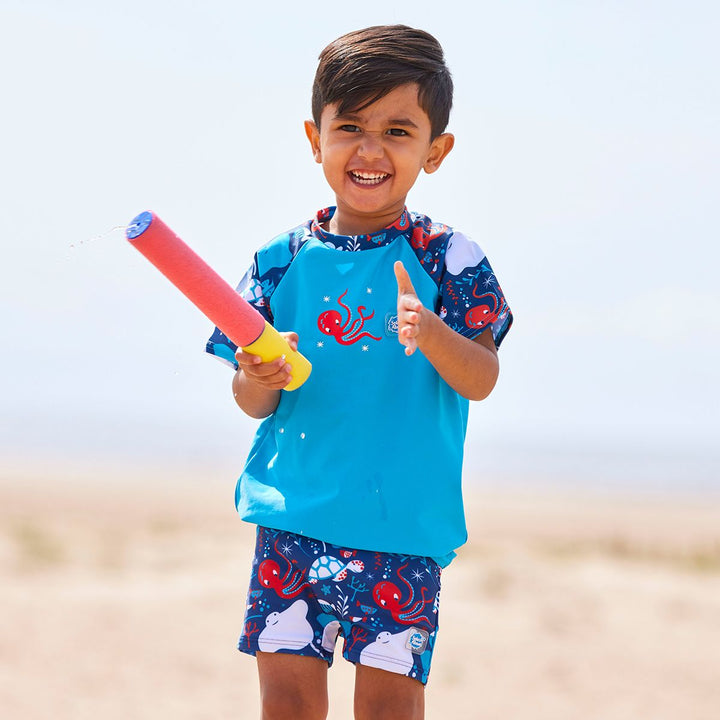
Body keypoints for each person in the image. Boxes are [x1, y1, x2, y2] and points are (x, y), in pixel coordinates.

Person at [206, 24, 513, 720]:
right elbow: (251, 401)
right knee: (285, 700)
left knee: (388, 706)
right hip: (292, 519)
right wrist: (258, 373)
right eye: (350, 126)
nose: (370, 150)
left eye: (398, 131)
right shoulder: (277, 262)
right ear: (315, 139)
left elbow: (481, 378)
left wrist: (433, 333)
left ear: (436, 150)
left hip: (400, 527)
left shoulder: (448, 259)